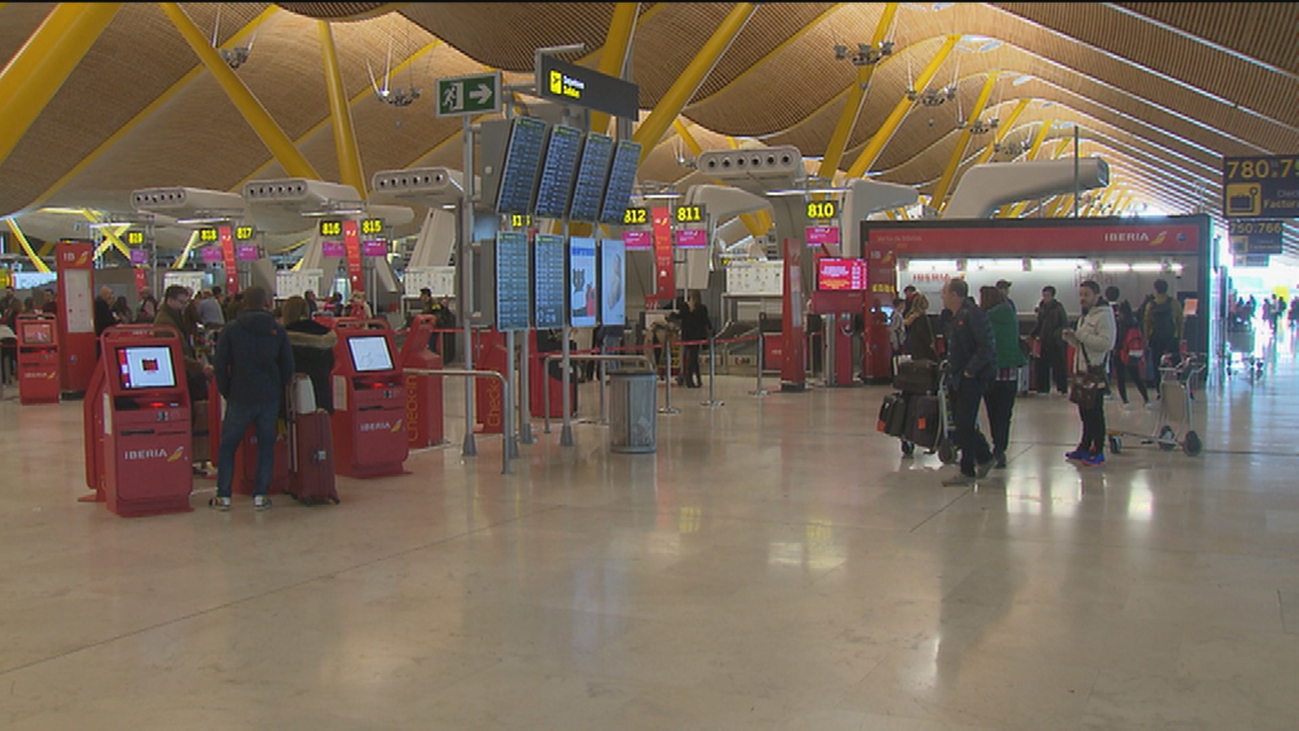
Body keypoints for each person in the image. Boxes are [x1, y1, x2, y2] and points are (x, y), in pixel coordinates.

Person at [210, 286, 294, 512]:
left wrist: (226, 390)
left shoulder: (232, 329)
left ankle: (223, 496)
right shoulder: (277, 330)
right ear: (266, 303)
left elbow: (220, 364)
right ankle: (260, 495)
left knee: (228, 446)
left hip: (240, 394)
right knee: (266, 445)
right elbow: (287, 366)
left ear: (244, 303)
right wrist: (278, 387)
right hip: (268, 395)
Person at [939, 278, 996, 485]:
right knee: (964, 423)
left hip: (971, 378)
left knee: (964, 423)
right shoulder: (957, 316)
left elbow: (986, 346)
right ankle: (984, 457)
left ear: (955, 295)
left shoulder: (973, 314)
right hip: (957, 377)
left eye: (944, 293)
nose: (942, 297)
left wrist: (970, 371)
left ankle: (967, 470)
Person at [1062, 280, 1116, 466]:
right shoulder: (1085, 317)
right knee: (1084, 412)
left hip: (1095, 373)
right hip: (1082, 372)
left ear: (1097, 296)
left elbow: (1106, 344)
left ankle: (1098, 449)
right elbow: (1083, 345)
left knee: (1095, 412)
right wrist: (1072, 339)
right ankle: (1084, 446)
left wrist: (1081, 336)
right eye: (1081, 294)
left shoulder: (1104, 316)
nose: (1082, 298)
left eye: (1086, 294)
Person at [980, 286, 1026, 469]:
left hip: (991, 373)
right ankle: (1001, 449)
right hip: (1011, 373)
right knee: (1005, 414)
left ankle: (996, 447)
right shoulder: (1011, 315)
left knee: (992, 413)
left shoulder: (986, 318)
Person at [154, 285, 214, 402]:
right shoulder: (166, 324)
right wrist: (199, 367)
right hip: (178, 374)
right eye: (181, 302)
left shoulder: (172, 318)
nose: (184, 306)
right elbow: (174, 355)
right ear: (170, 300)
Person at [280, 295, 336, 414]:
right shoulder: (324, 334)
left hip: (290, 400)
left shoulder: (282, 336)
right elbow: (331, 363)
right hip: (320, 397)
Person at [1143, 279, 1182, 389]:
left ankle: (1158, 387)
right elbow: (1180, 320)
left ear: (1155, 289)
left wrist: (1146, 338)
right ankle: (1180, 383)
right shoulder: (1174, 303)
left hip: (1155, 338)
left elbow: (1147, 323)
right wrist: (1179, 336)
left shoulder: (1151, 304)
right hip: (1171, 337)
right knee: (1176, 362)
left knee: (1156, 363)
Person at [1031, 285, 1069, 395]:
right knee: (1042, 365)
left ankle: (1062, 388)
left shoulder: (1058, 308)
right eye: (1044, 295)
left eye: (1047, 296)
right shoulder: (1042, 307)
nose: (1045, 298)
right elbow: (1039, 323)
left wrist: (1056, 335)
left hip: (1055, 341)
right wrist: (1033, 334)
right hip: (1044, 340)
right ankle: (1043, 388)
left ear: (1052, 296)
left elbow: (1064, 323)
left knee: (1059, 366)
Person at [1114, 300, 1151, 409]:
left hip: (1120, 351)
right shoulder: (1134, 321)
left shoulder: (1118, 322)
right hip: (1132, 352)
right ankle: (1146, 399)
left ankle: (1125, 401)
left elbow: (1117, 337)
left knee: (1121, 378)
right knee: (1137, 377)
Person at [671, 291, 712, 388]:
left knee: (691, 358)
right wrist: (710, 331)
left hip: (687, 336)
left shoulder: (685, 307)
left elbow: (679, 317)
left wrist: (671, 315)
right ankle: (692, 379)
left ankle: (693, 379)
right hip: (697, 337)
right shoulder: (702, 308)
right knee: (693, 358)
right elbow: (706, 321)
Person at [901, 285, 937, 362]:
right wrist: (930, 342)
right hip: (923, 347)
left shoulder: (911, 315)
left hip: (914, 345)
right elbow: (922, 331)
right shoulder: (921, 316)